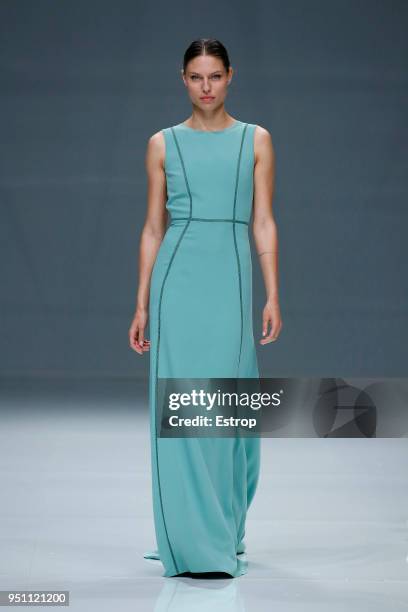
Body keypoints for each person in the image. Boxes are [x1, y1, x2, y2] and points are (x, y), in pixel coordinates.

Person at [129, 38, 282, 578]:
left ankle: (223, 527)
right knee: (182, 407)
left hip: (232, 279)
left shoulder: (255, 140)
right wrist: (142, 303)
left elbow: (263, 220)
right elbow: (153, 227)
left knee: (230, 407)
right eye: (196, 77)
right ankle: (194, 543)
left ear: (231, 76)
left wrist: (273, 294)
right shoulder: (162, 144)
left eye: (215, 76)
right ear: (183, 79)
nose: (207, 87)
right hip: (179, 278)